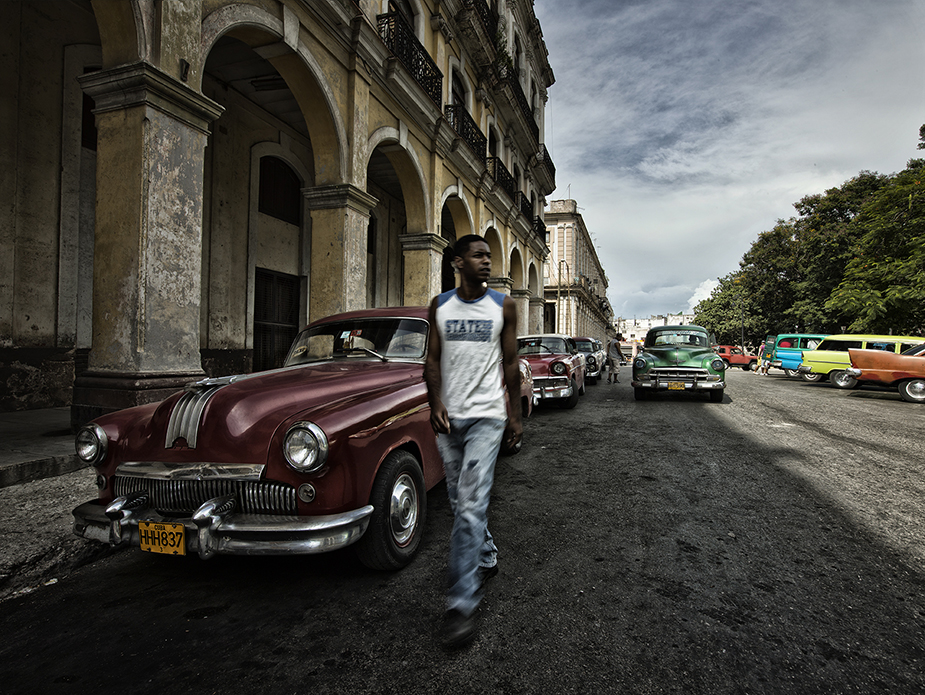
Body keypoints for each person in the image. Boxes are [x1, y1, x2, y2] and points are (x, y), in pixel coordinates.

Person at [425, 234, 522, 648]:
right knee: (455, 499)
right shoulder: (440, 306)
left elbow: (512, 361)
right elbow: (431, 358)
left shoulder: (504, 306)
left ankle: (461, 605)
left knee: (469, 505)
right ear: (458, 261)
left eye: (488, 255)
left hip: (487, 417)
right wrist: (434, 402)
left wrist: (515, 416)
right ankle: (485, 554)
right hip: (450, 420)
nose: (487, 262)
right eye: (478, 256)